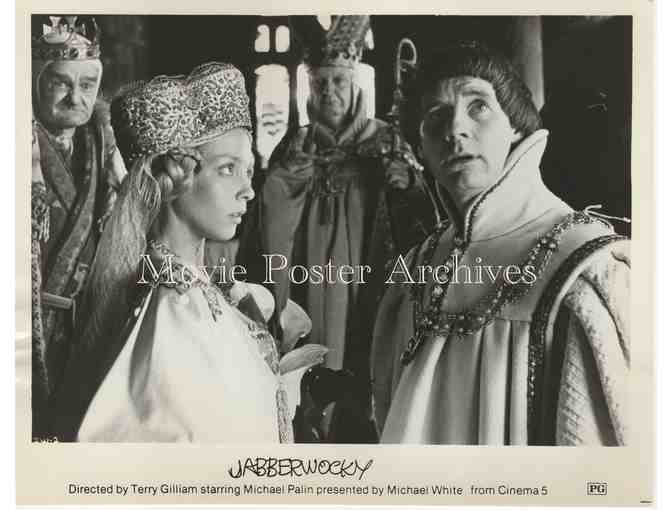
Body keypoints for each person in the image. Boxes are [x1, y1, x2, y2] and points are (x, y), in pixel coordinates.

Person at [371, 42, 629, 445]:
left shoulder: (583, 266)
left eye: (478, 106)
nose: (454, 129)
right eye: (436, 115)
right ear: (420, 148)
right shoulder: (415, 270)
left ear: (516, 126)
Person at [48, 62, 316, 443]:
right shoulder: (173, 310)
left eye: (248, 171)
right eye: (227, 169)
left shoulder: (197, 296)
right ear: (175, 178)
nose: (248, 191)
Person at [259, 16, 432, 440]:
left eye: (338, 81)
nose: (329, 92)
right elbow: (267, 218)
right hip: (307, 277)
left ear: (354, 84)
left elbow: (422, 219)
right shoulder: (295, 145)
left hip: (368, 276)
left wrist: (406, 186)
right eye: (320, 83)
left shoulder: (386, 141)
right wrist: (287, 182)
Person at [30, 15, 126, 439]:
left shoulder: (104, 145)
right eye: (61, 83)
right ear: (36, 83)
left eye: (87, 85)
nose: (76, 97)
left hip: (89, 325)